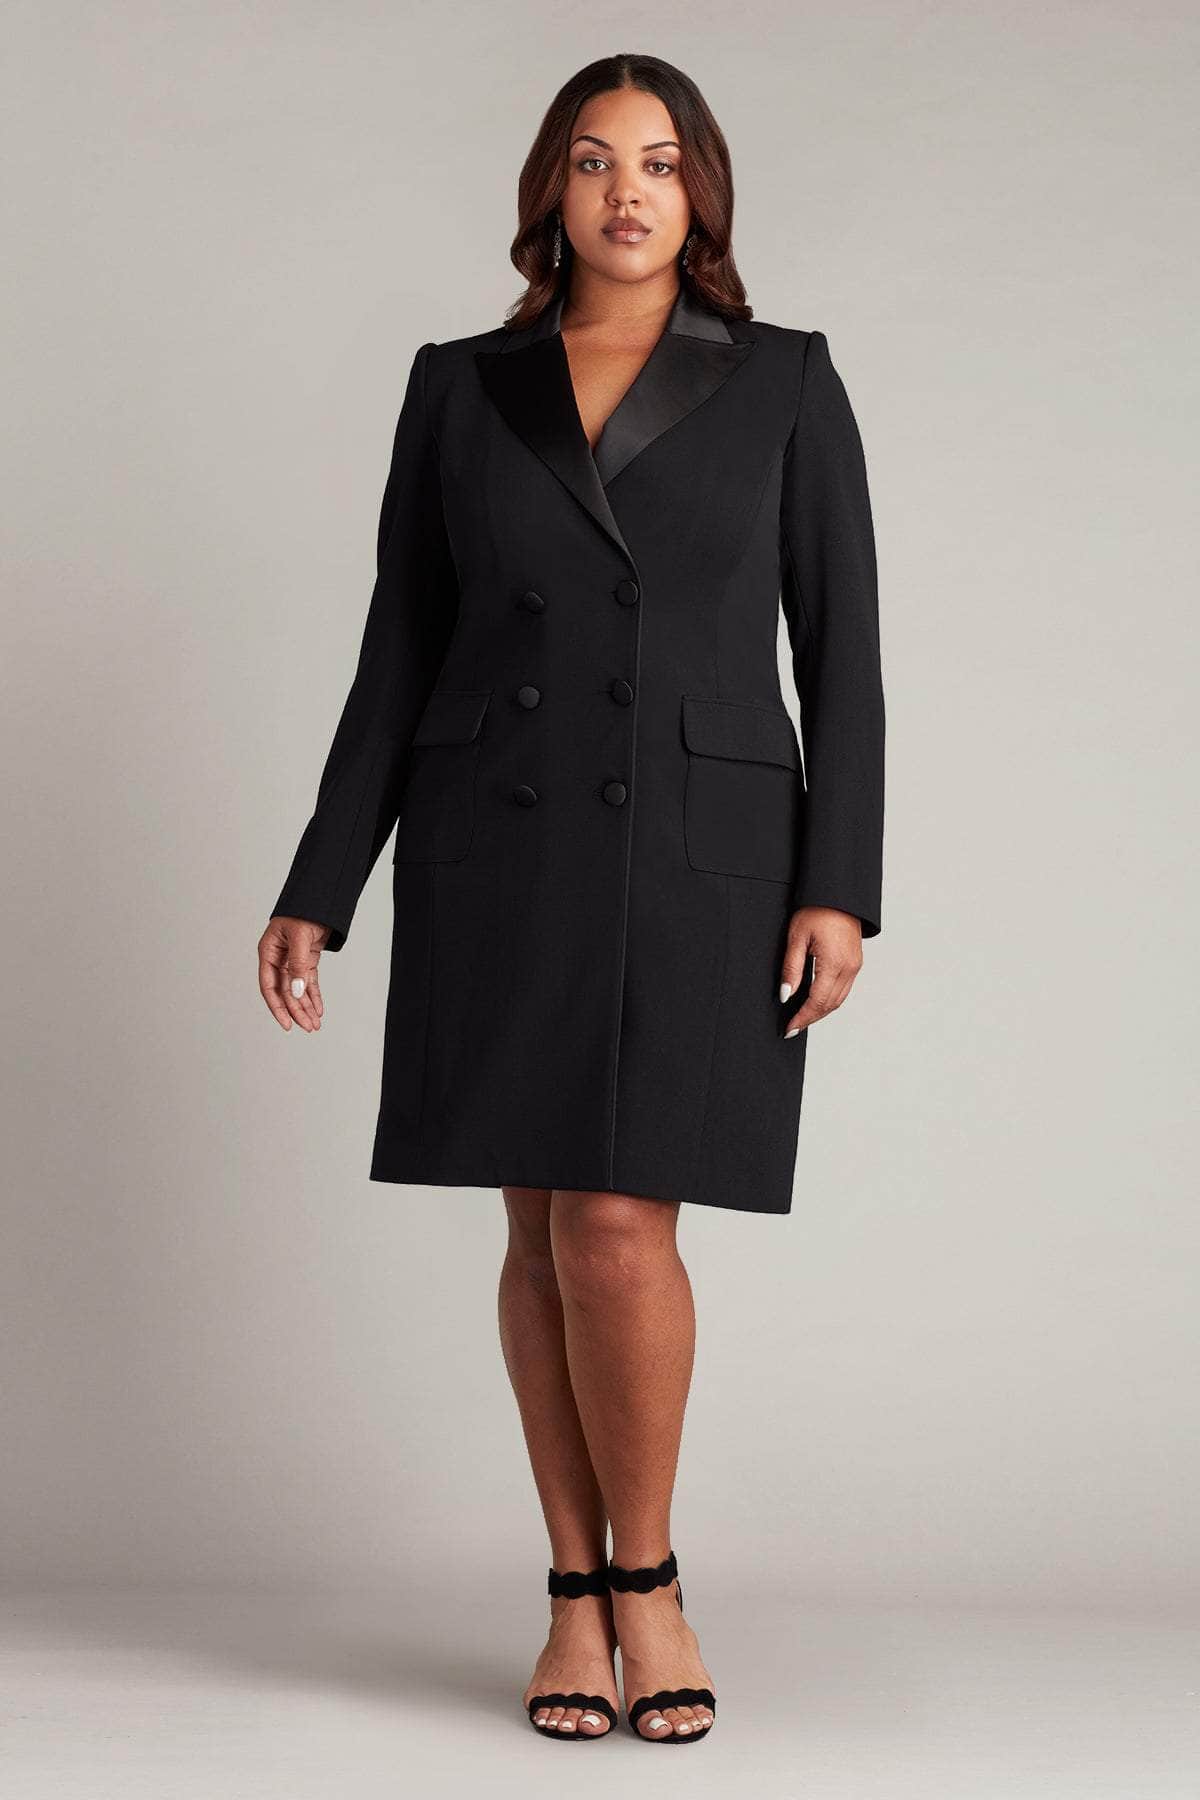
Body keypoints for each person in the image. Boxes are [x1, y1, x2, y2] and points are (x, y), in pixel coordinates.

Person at [258, 52, 885, 1744]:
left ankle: (651, 1581)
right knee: (538, 1232)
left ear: (702, 193)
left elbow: (842, 650)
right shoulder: (461, 386)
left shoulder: (783, 377)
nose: (628, 191)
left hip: (697, 851)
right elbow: (402, 645)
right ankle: (569, 1594)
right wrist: (323, 880)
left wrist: (839, 883)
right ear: (551, 187)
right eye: (597, 160)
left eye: (661, 162)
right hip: (501, 839)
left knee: (618, 1229)